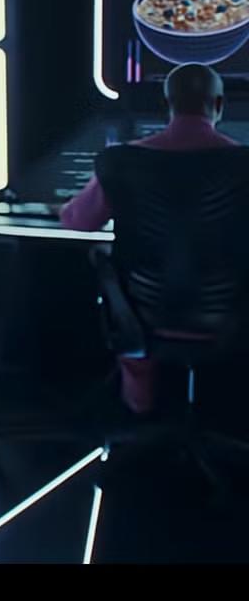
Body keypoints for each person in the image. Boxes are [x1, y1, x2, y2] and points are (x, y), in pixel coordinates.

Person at [59, 62, 238, 413]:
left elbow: (77, 221)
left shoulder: (120, 161)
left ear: (166, 104)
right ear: (218, 105)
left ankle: (140, 410)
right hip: (232, 320)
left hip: (142, 321)